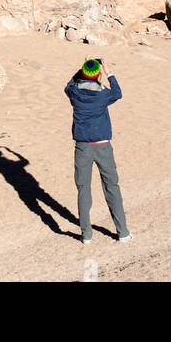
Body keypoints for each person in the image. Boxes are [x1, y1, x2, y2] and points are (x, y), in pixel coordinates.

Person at [64, 58, 131, 245]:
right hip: (102, 145)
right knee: (111, 186)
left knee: (83, 189)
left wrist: (83, 69)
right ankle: (122, 232)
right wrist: (108, 72)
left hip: (82, 147)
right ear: (98, 74)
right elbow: (118, 93)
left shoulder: (74, 92)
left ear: (83, 73)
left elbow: (69, 85)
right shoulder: (103, 95)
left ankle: (86, 234)